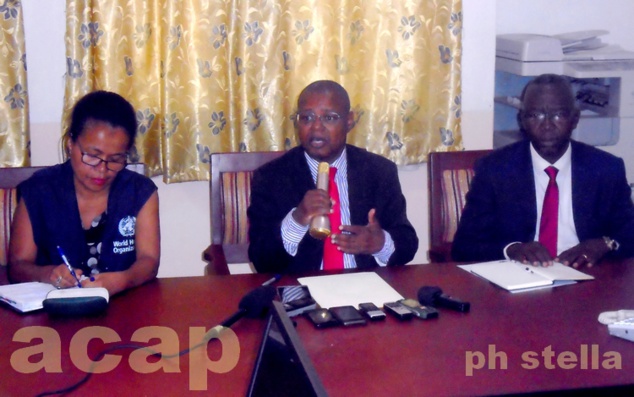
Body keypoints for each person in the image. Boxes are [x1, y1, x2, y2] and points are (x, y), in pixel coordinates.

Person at [452, 73, 634, 267]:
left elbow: (629, 233)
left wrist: (604, 244)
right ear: (521, 120)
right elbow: (464, 246)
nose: (547, 125)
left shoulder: (606, 169)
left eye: (558, 115)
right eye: (535, 115)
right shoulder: (495, 170)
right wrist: (513, 249)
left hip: (589, 278)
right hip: (520, 279)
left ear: (575, 119)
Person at [247, 80, 418, 273]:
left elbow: (407, 244)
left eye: (329, 118)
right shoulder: (272, 177)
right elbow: (262, 260)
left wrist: (380, 243)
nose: (316, 128)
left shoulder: (378, 171)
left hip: (366, 287)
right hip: (301, 291)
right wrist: (298, 218)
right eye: (307, 118)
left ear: (349, 121)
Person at [8, 91, 160, 295]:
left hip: (125, 308)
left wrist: (123, 280)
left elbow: (149, 261)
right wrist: (49, 274)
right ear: (71, 144)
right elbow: (18, 266)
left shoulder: (139, 192)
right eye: (92, 156)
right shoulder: (39, 190)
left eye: (115, 159)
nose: (102, 169)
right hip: (53, 312)